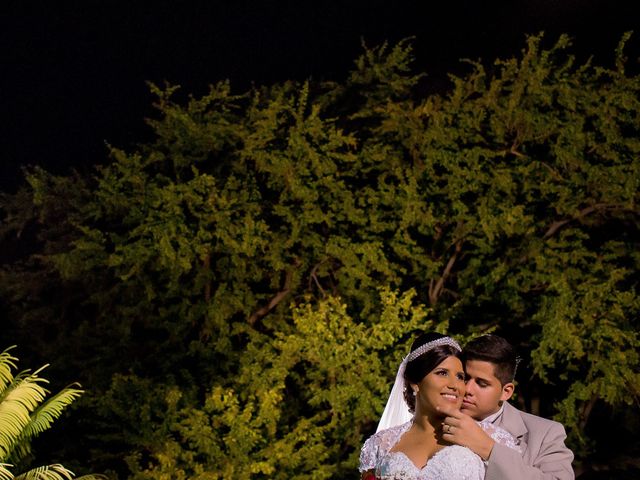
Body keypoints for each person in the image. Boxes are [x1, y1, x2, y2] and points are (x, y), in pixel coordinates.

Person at [359, 332, 521, 480]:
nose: (454, 385)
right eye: (442, 373)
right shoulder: (381, 444)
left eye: (460, 376)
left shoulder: (492, 438)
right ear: (415, 383)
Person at [440, 334, 575, 480]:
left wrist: (489, 449)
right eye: (464, 378)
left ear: (506, 392)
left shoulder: (545, 434)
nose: (468, 389)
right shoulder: (434, 418)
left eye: (482, 383)